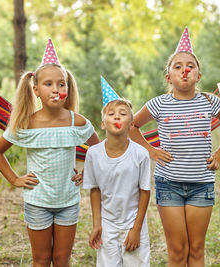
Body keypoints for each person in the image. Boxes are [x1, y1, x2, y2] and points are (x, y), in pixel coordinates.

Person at [129, 27, 220, 267]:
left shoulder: (209, 101)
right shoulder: (158, 104)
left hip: (202, 184)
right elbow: (131, 127)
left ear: (198, 75)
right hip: (169, 184)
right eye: (177, 66)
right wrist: (151, 151)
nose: (184, 69)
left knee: (196, 250)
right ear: (168, 76)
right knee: (178, 251)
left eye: (190, 65)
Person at [0, 39, 99, 267]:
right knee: (41, 260)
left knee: (61, 260)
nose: (56, 89)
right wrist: (15, 179)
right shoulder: (26, 124)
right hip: (37, 201)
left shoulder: (76, 122)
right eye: (49, 84)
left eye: (62, 84)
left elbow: (98, 149)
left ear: (68, 89)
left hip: (68, 200)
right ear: (36, 90)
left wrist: (87, 171)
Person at [83, 77, 151, 267]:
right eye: (111, 113)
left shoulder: (141, 154)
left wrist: (136, 229)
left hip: (133, 223)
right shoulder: (93, 154)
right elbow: (94, 190)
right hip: (108, 225)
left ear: (131, 124)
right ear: (103, 124)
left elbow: (145, 192)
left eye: (123, 113)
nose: (117, 116)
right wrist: (97, 225)